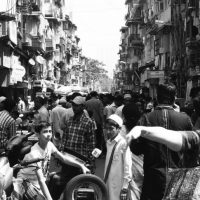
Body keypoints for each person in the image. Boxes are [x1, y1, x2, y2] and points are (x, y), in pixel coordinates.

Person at [131, 83, 193, 200]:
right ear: (174, 98)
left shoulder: (146, 118)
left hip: (153, 177)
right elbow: (191, 149)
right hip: (178, 178)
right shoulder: (185, 119)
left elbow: (136, 149)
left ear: (157, 98)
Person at [12, 121, 89, 200]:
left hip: (39, 181)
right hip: (27, 183)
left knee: (58, 180)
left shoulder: (49, 144)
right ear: (38, 135)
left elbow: (63, 158)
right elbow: (41, 181)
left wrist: (81, 165)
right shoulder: (34, 153)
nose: (48, 134)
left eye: (50, 131)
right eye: (45, 132)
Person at [104, 114, 132, 200]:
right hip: (108, 181)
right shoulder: (108, 142)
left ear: (119, 129)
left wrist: (124, 187)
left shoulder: (123, 143)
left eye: (111, 129)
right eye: (106, 128)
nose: (108, 132)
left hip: (119, 184)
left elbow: (127, 165)